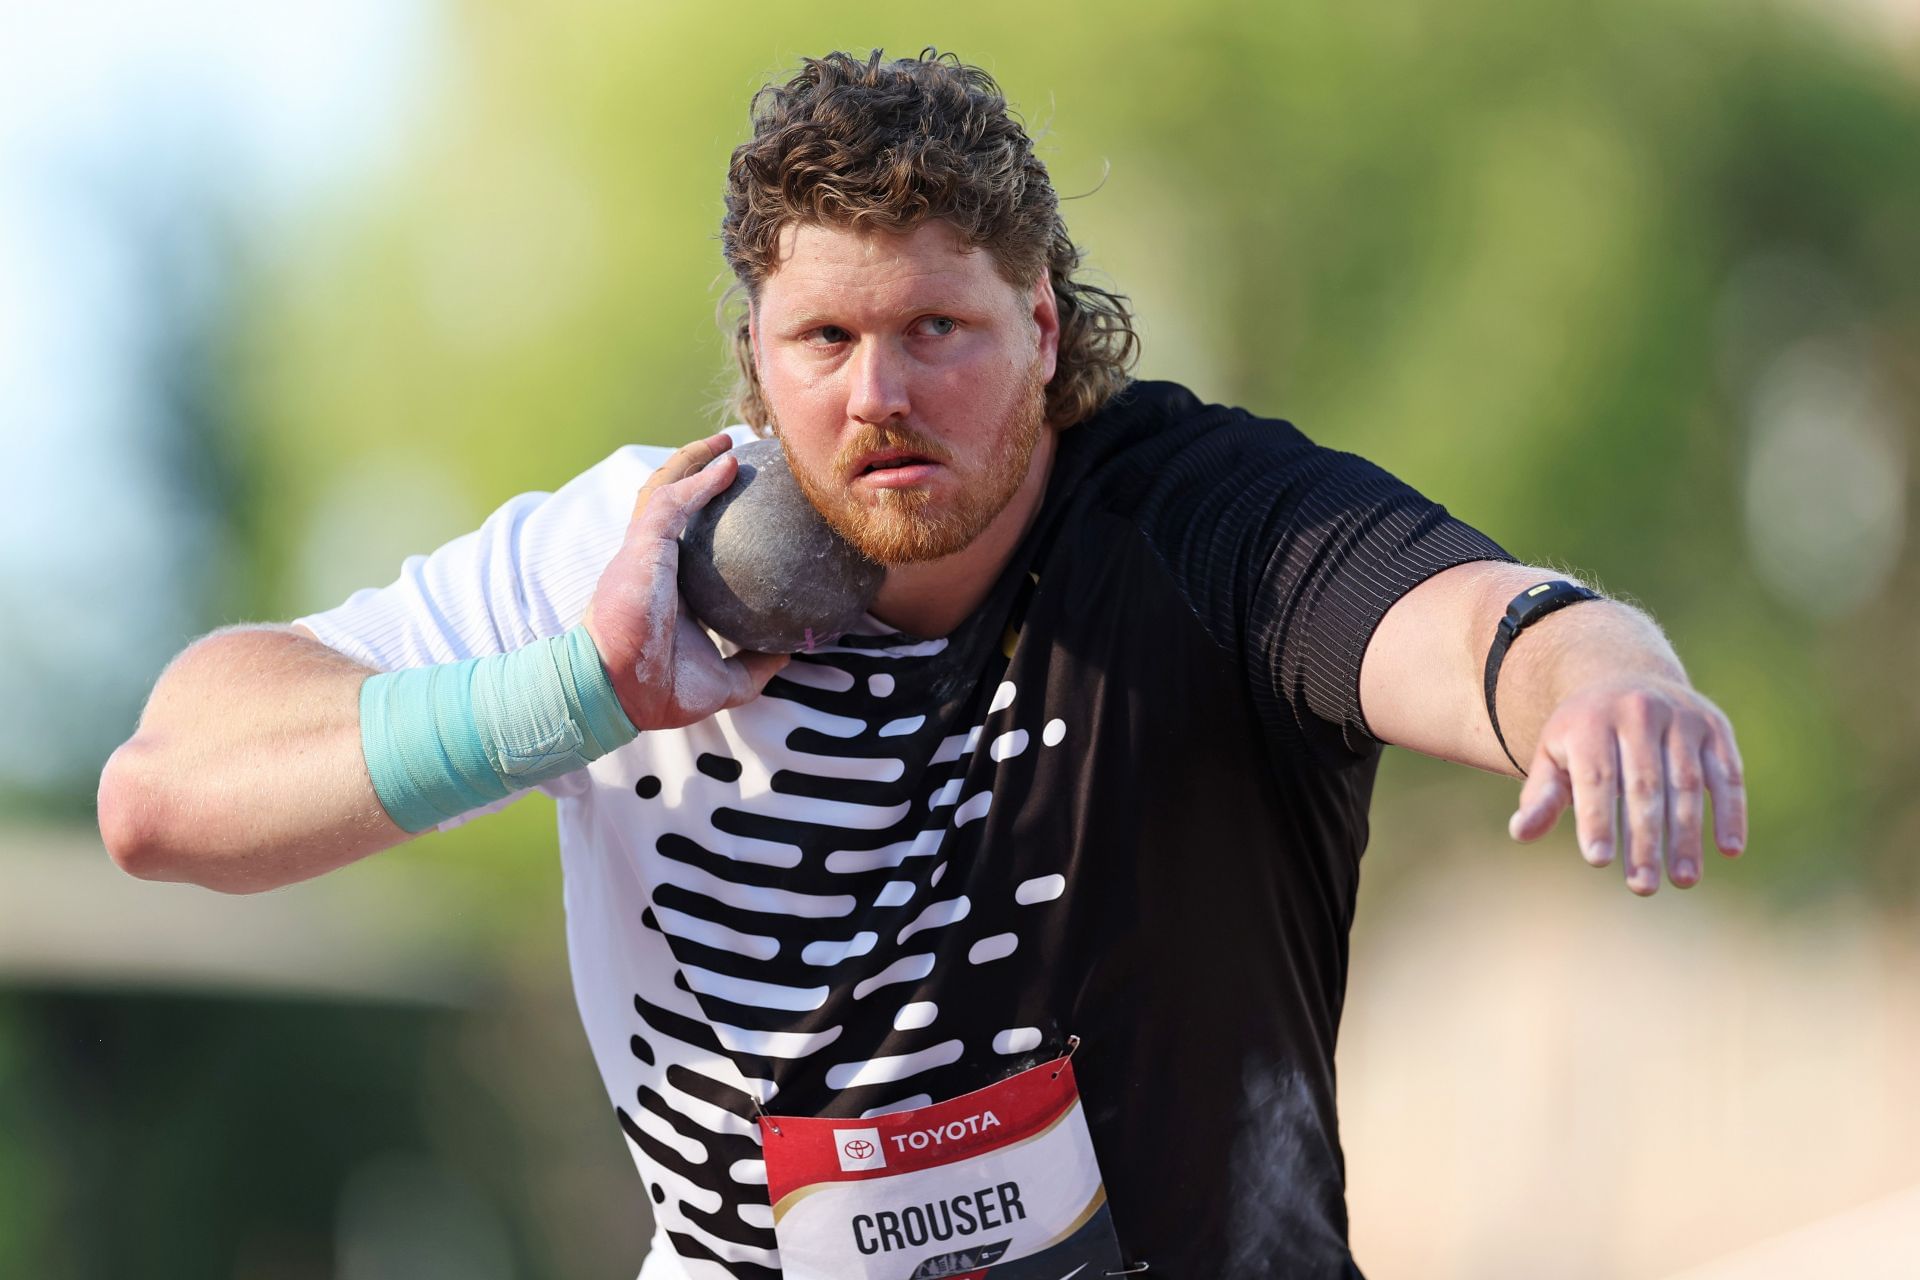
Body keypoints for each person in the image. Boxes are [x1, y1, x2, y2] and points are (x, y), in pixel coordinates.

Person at [96, 48, 1748, 1280]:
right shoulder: (624, 564)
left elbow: (1468, 618)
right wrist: (578, 698)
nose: (880, 392)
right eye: (824, 339)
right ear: (755, 354)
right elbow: (164, 799)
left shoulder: (1195, 520)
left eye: (938, 331)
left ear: (1044, 323)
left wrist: (1597, 682)